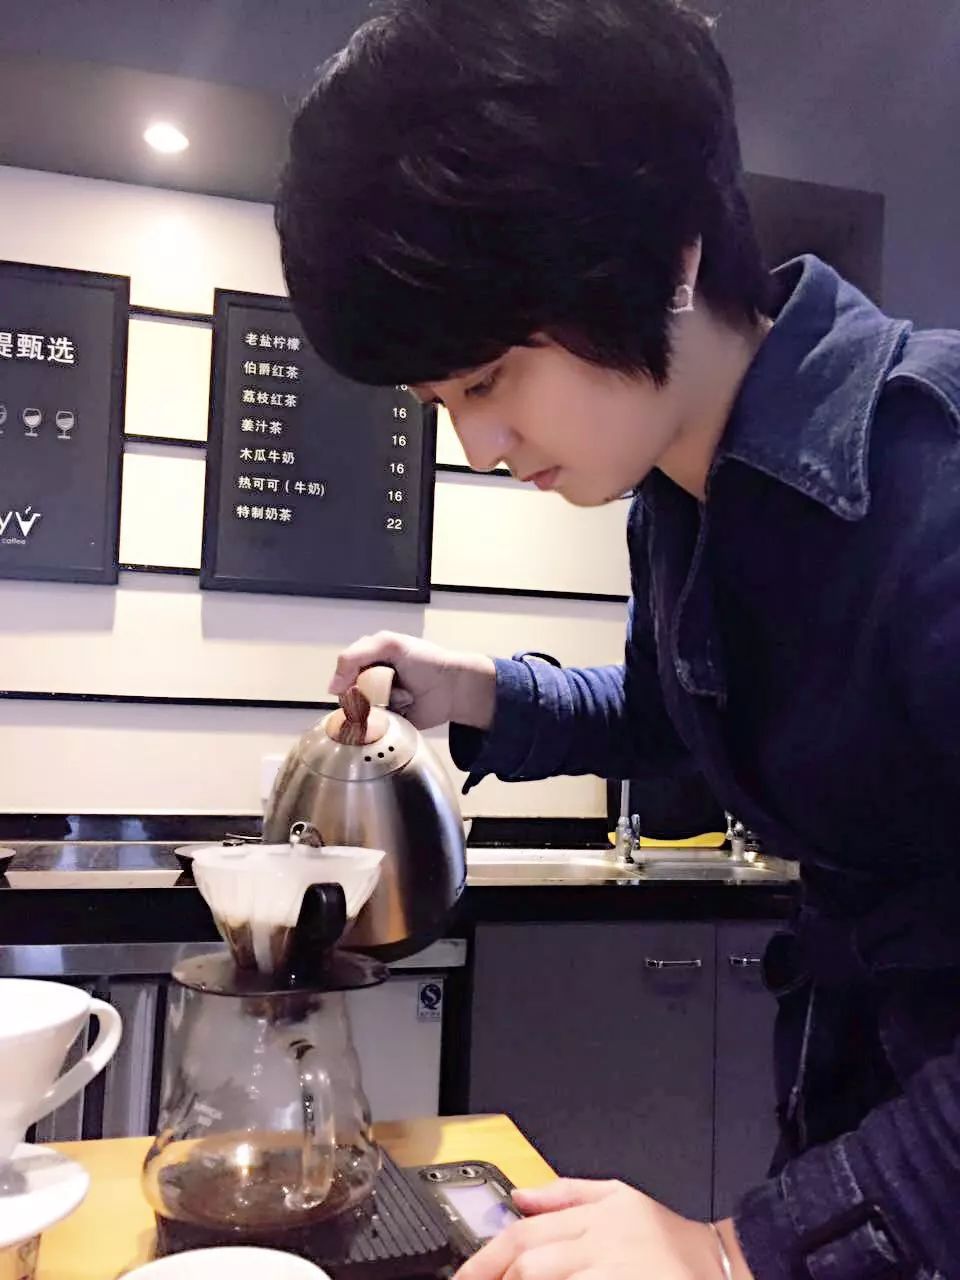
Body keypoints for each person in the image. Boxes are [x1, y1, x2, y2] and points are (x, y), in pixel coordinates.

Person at [275, 1, 960, 1275]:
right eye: (440, 400)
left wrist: (732, 1251)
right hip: (860, 1135)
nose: (480, 445)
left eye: (488, 380)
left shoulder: (933, 479)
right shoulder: (678, 498)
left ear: (666, 256)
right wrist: (472, 691)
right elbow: (670, 712)